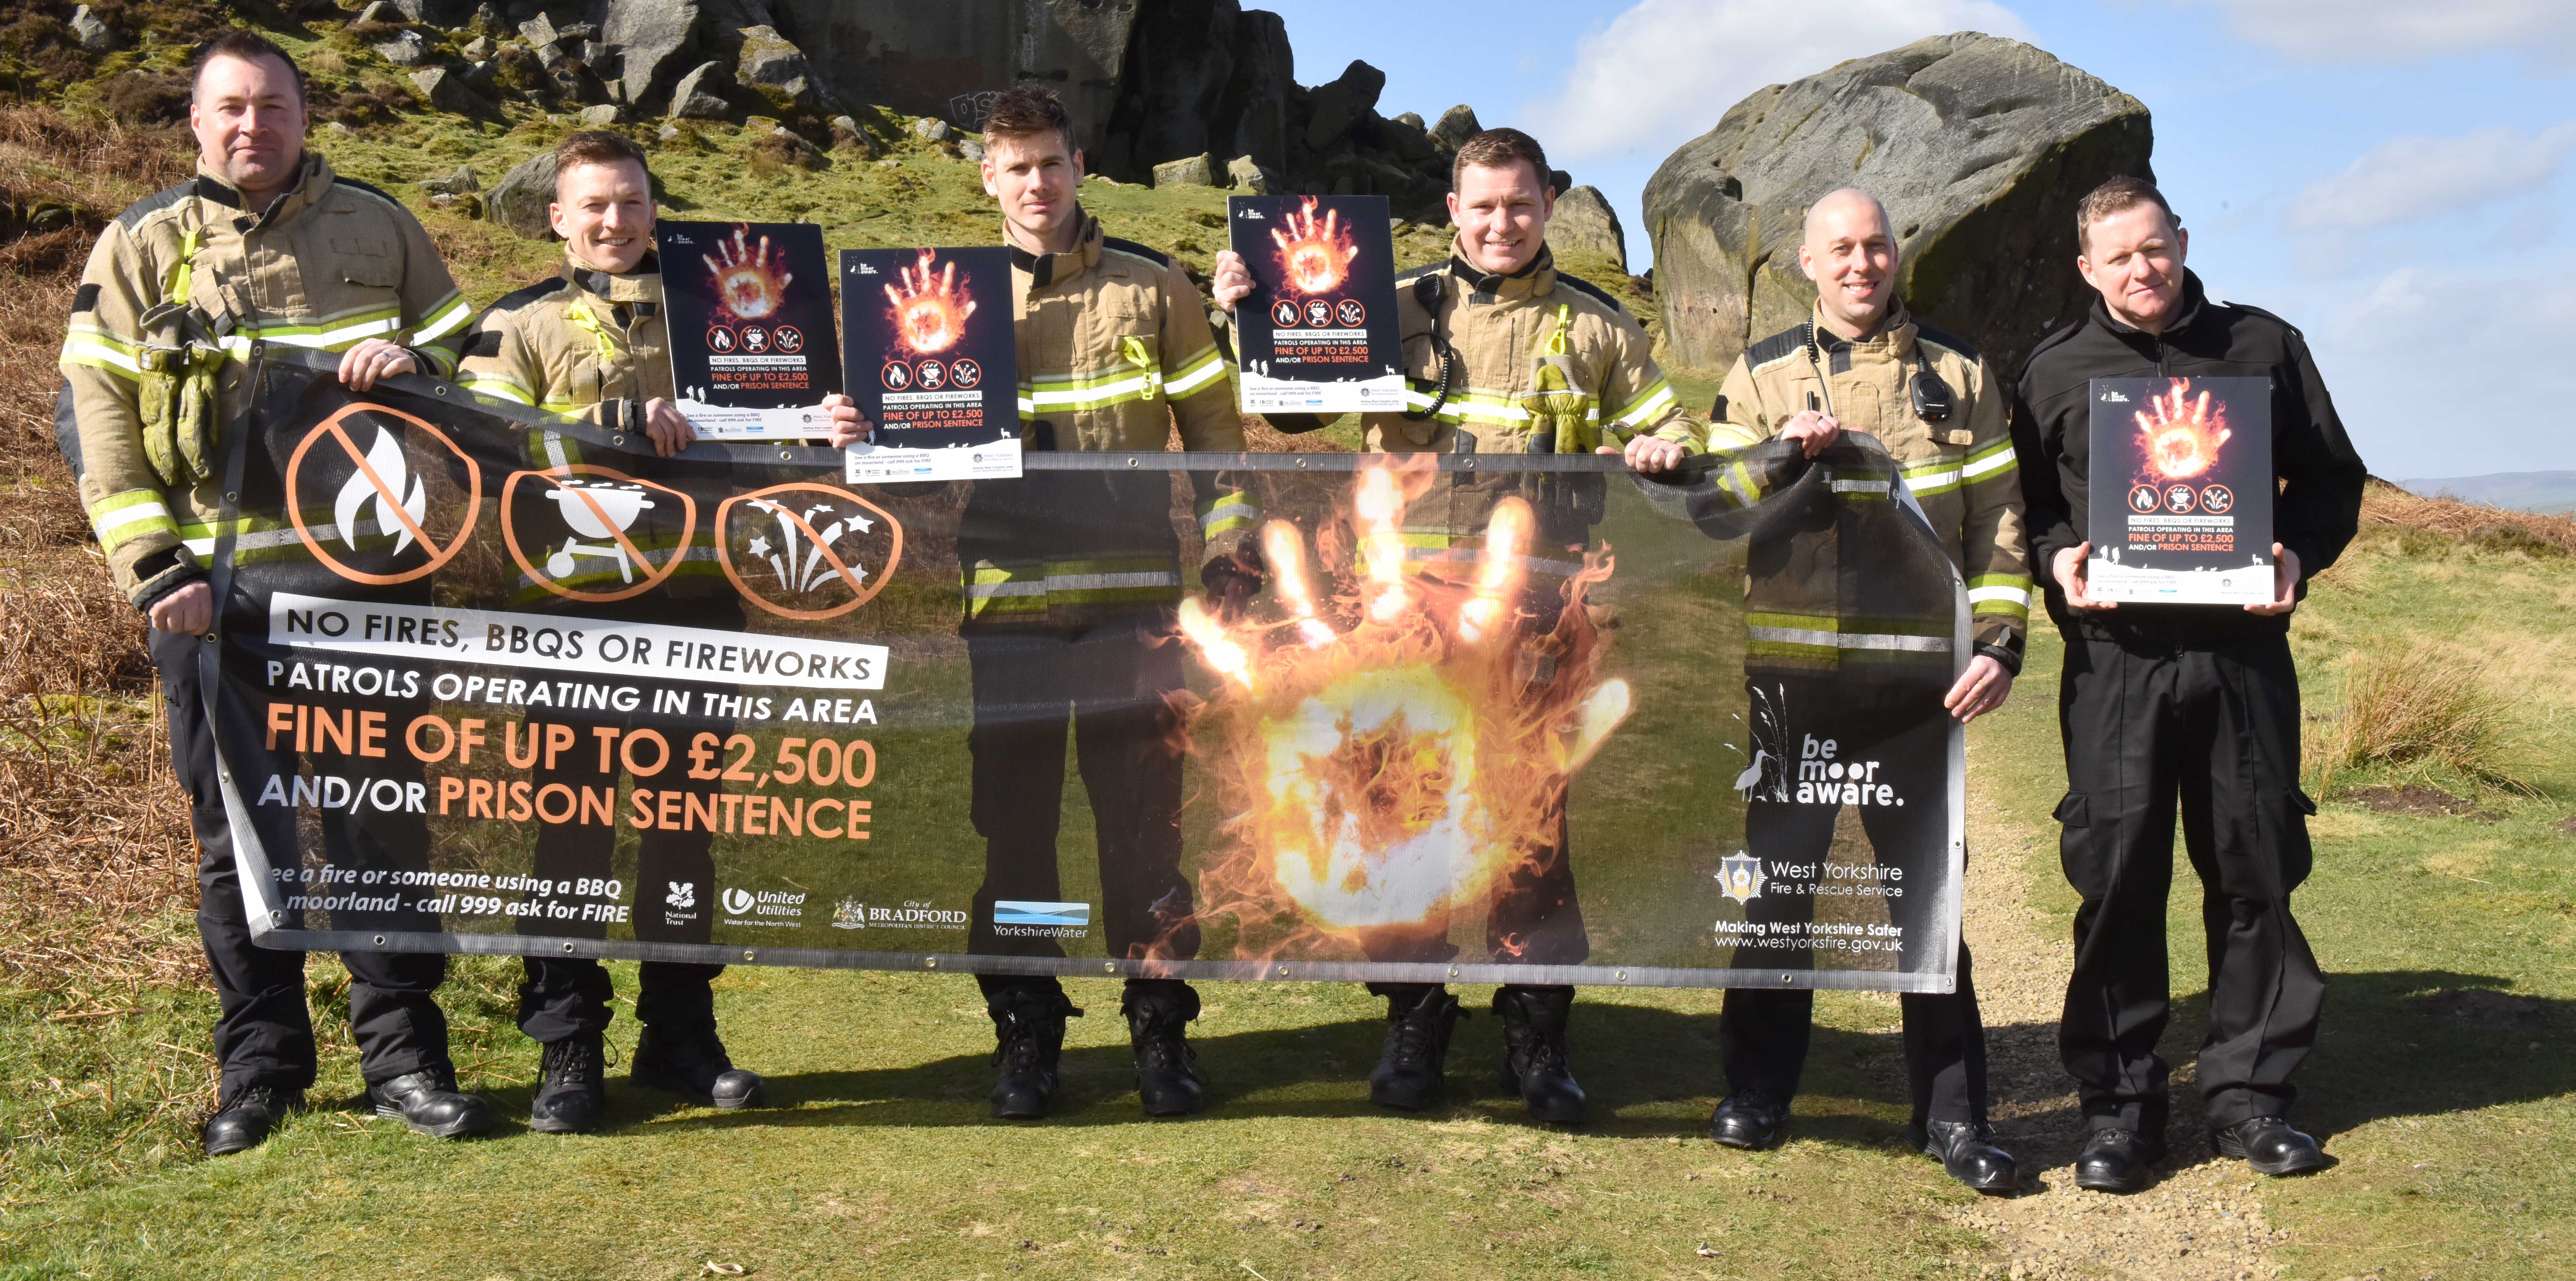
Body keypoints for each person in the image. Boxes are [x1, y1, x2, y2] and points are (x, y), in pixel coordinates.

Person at [56, 29, 488, 1156]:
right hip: (213, 597)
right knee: (237, 837)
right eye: (232, 108)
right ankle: (260, 1069)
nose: (256, 126)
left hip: (364, 588)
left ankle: (406, 1059)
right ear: (197, 122)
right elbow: (96, 421)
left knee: (379, 822)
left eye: (276, 106)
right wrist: (157, 570)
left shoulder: (382, 226)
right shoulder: (141, 245)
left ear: (307, 116)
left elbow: (476, 366)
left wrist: (424, 374)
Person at [1211, 128, 1697, 1125]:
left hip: (1533, 616)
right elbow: (1295, 410)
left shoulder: (1601, 329)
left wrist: (1660, 443)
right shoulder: (1389, 310)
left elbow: (1672, 425)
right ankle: (1413, 1023)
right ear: (1453, 209)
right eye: (1482, 206)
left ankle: (1538, 1037)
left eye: (1519, 204)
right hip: (1402, 617)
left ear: (1549, 204)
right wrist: (1245, 318)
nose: (1501, 223)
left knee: (1531, 825)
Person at [826, 88, 1256, 1120]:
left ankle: (1160, 1034)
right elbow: (902, 482)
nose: (1035, 184)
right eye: (1014, 168)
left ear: (1079, 164)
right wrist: (852, 432)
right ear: (987, 178)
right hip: (1007, 611)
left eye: (1051, 164)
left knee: (1145, 833)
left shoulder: (1158, 290)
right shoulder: (929, 302)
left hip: (1135, 610)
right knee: (1016, 834)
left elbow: (1218, 440)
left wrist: (1236, 547)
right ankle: (1028, 1033)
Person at [2010, 176, 2365, 1191]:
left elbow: (2334, 481)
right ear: (2088, 268)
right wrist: (2056, 561)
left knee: (2254, 873)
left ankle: (2252, 1099)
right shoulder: (2049, 370)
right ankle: (2120, 1112)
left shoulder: (2265, 348)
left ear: (2182, 240)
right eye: (2119, 257)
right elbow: (2025, 506)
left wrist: (2295, 553)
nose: (2142, 270)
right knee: (2118, 880)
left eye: (2155, 248)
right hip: (2117, 665)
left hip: (2244, 659)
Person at [1696, 187, 2026, 1194]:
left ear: (1897, 254)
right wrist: (1773, 458)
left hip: (1921, 691)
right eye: (1839, 248)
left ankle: (1954, 1115)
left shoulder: (1962, 373)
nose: (1860, 263)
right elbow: (1714, 514)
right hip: (1794, 684)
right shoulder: (1755, 376)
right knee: (1778, 898)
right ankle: (1757, 1091)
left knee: (1926, 902)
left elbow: (2000, 524)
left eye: (1876, 245)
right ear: (1804, 263)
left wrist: (2002, 643)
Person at [458, 130, 767, 1134]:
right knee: (572, 830)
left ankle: (681, 1035)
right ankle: (567, 1047)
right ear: (557, 217)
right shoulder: (516, 323)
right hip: (572, 613)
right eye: (593, 206)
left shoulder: (719, 311)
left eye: (632, 203)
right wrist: (620, 423)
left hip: (697, 602)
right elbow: (483, 450)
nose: (615, 222)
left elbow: (777, 426)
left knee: (686, 830)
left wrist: (825, 421)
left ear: (652, 207)